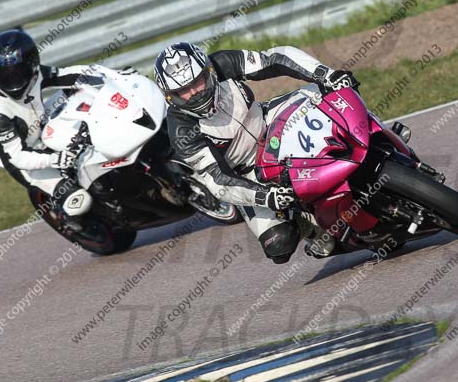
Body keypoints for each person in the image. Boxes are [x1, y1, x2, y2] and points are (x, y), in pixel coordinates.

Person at [153, 42, 358, 264]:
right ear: (170, 97)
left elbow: (276, 58)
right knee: (278, 244)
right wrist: (266, 196)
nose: (194, 93)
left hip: (271, 122)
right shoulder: (181, 130)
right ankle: (311, 226)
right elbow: (218, 181)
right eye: (183, 90)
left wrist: (326, 74)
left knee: (332, 90)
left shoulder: (222, 63)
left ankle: (379, 134)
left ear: (208, 71)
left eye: (198, 82)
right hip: (247, 172)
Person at [0, 29, 99, 226]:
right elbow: (18, 157)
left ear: (32, 65)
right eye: (4, 74)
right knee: (79, 202)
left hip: (43, 129)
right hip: (23, 158)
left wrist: (112, 76)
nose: (13, 80)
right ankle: (74, 222)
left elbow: (70, 75)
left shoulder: (36, 75)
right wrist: (56, 159)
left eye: (17, 72)